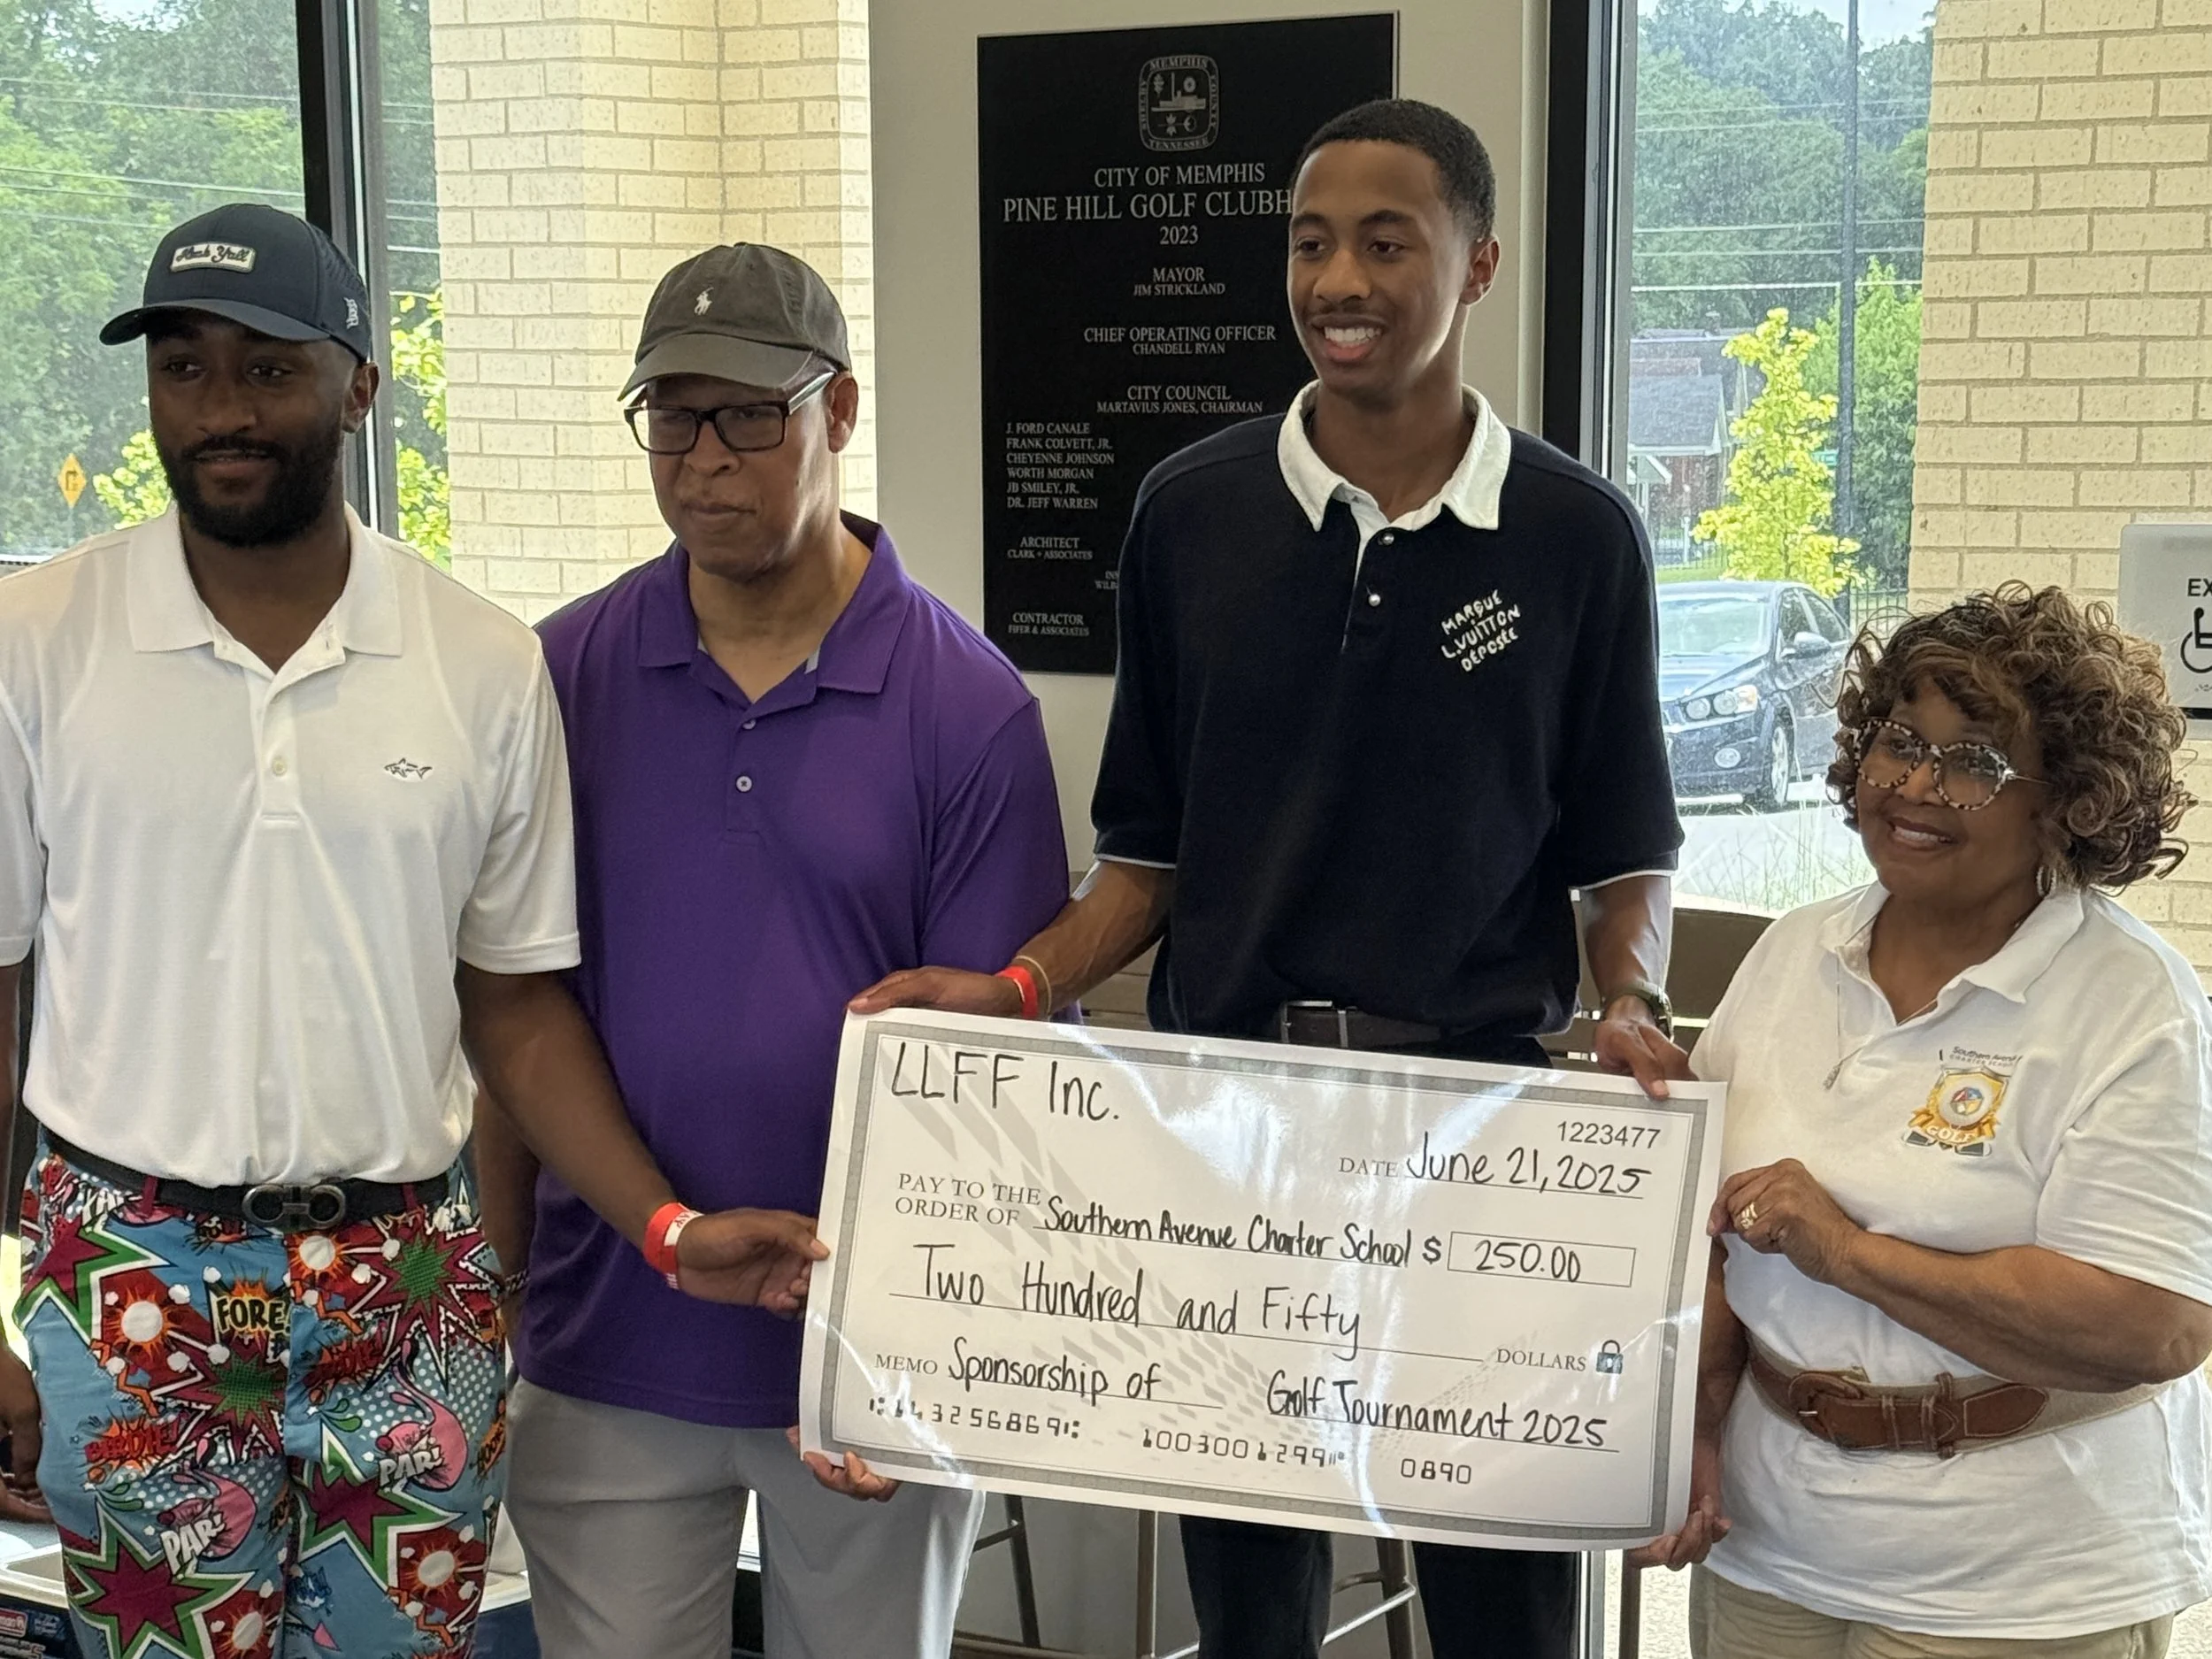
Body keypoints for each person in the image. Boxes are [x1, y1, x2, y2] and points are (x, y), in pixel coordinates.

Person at [852, 99, 1683, 1659]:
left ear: (1480, 262)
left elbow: (1620, 846)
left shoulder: (1576, 537)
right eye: (1311, 241)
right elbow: (1147, 857)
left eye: (1387, 240)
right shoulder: (1190, 512)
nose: (1339, 279)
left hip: (1476, 1136)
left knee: (1503, 1601)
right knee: (1253, 1606)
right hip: (1230, 1134)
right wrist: (1025, 986)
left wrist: (1631, 992)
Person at [0, 204, 824, 1659]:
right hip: (130, 1272)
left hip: (404, 1277)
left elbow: (514, 1006)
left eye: (270, 370)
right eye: (184, 369)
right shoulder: (40, 639)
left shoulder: (479, 663)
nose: (223, 410)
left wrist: (666, 1224)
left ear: (359, 385)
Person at [475, 242, 1068, 1659]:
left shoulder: (964, 704)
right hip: (611, 1325)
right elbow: (512, 1014)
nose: (703, 460)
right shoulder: (556, 677)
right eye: (671, 418)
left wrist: (917, 1337)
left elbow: (983, 1083)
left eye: (750, 414)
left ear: (839, 411)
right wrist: (501, 1288)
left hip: (863, 1353)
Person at [1685, 583, 2212, 1658]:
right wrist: (1689, 1430)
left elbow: (2151, 1327)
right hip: (1771, 1544)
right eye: (1896, 742)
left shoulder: (2127, 1000)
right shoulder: (1795, 951)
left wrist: (1848, 1253)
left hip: (2017, 1584)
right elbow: (1709, 1229)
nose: (1915, 787)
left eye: (1974, 762)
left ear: (2066, 800)